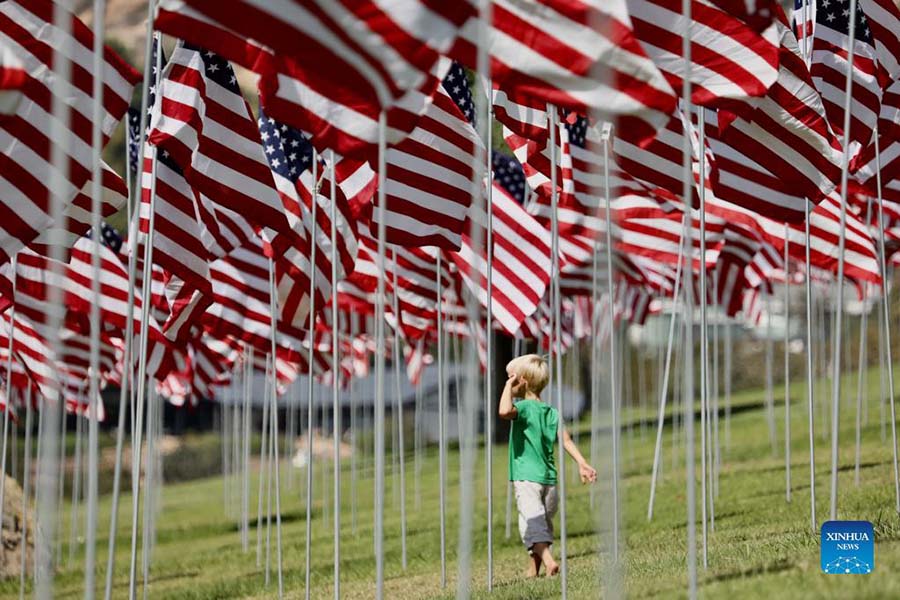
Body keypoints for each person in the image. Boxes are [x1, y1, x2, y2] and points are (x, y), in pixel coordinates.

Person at [499, 353, 597, 578]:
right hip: (549, 480)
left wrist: (506, 386)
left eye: (511, 376)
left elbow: (504, 411)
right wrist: (582, 463)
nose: (509, 380)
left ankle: (550, 561)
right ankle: (533, 570)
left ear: (520, 380)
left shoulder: (522, 408)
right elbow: (566, 440)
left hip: (527, 479)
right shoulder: (552, 412)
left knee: (531, 525)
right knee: (540, 523)